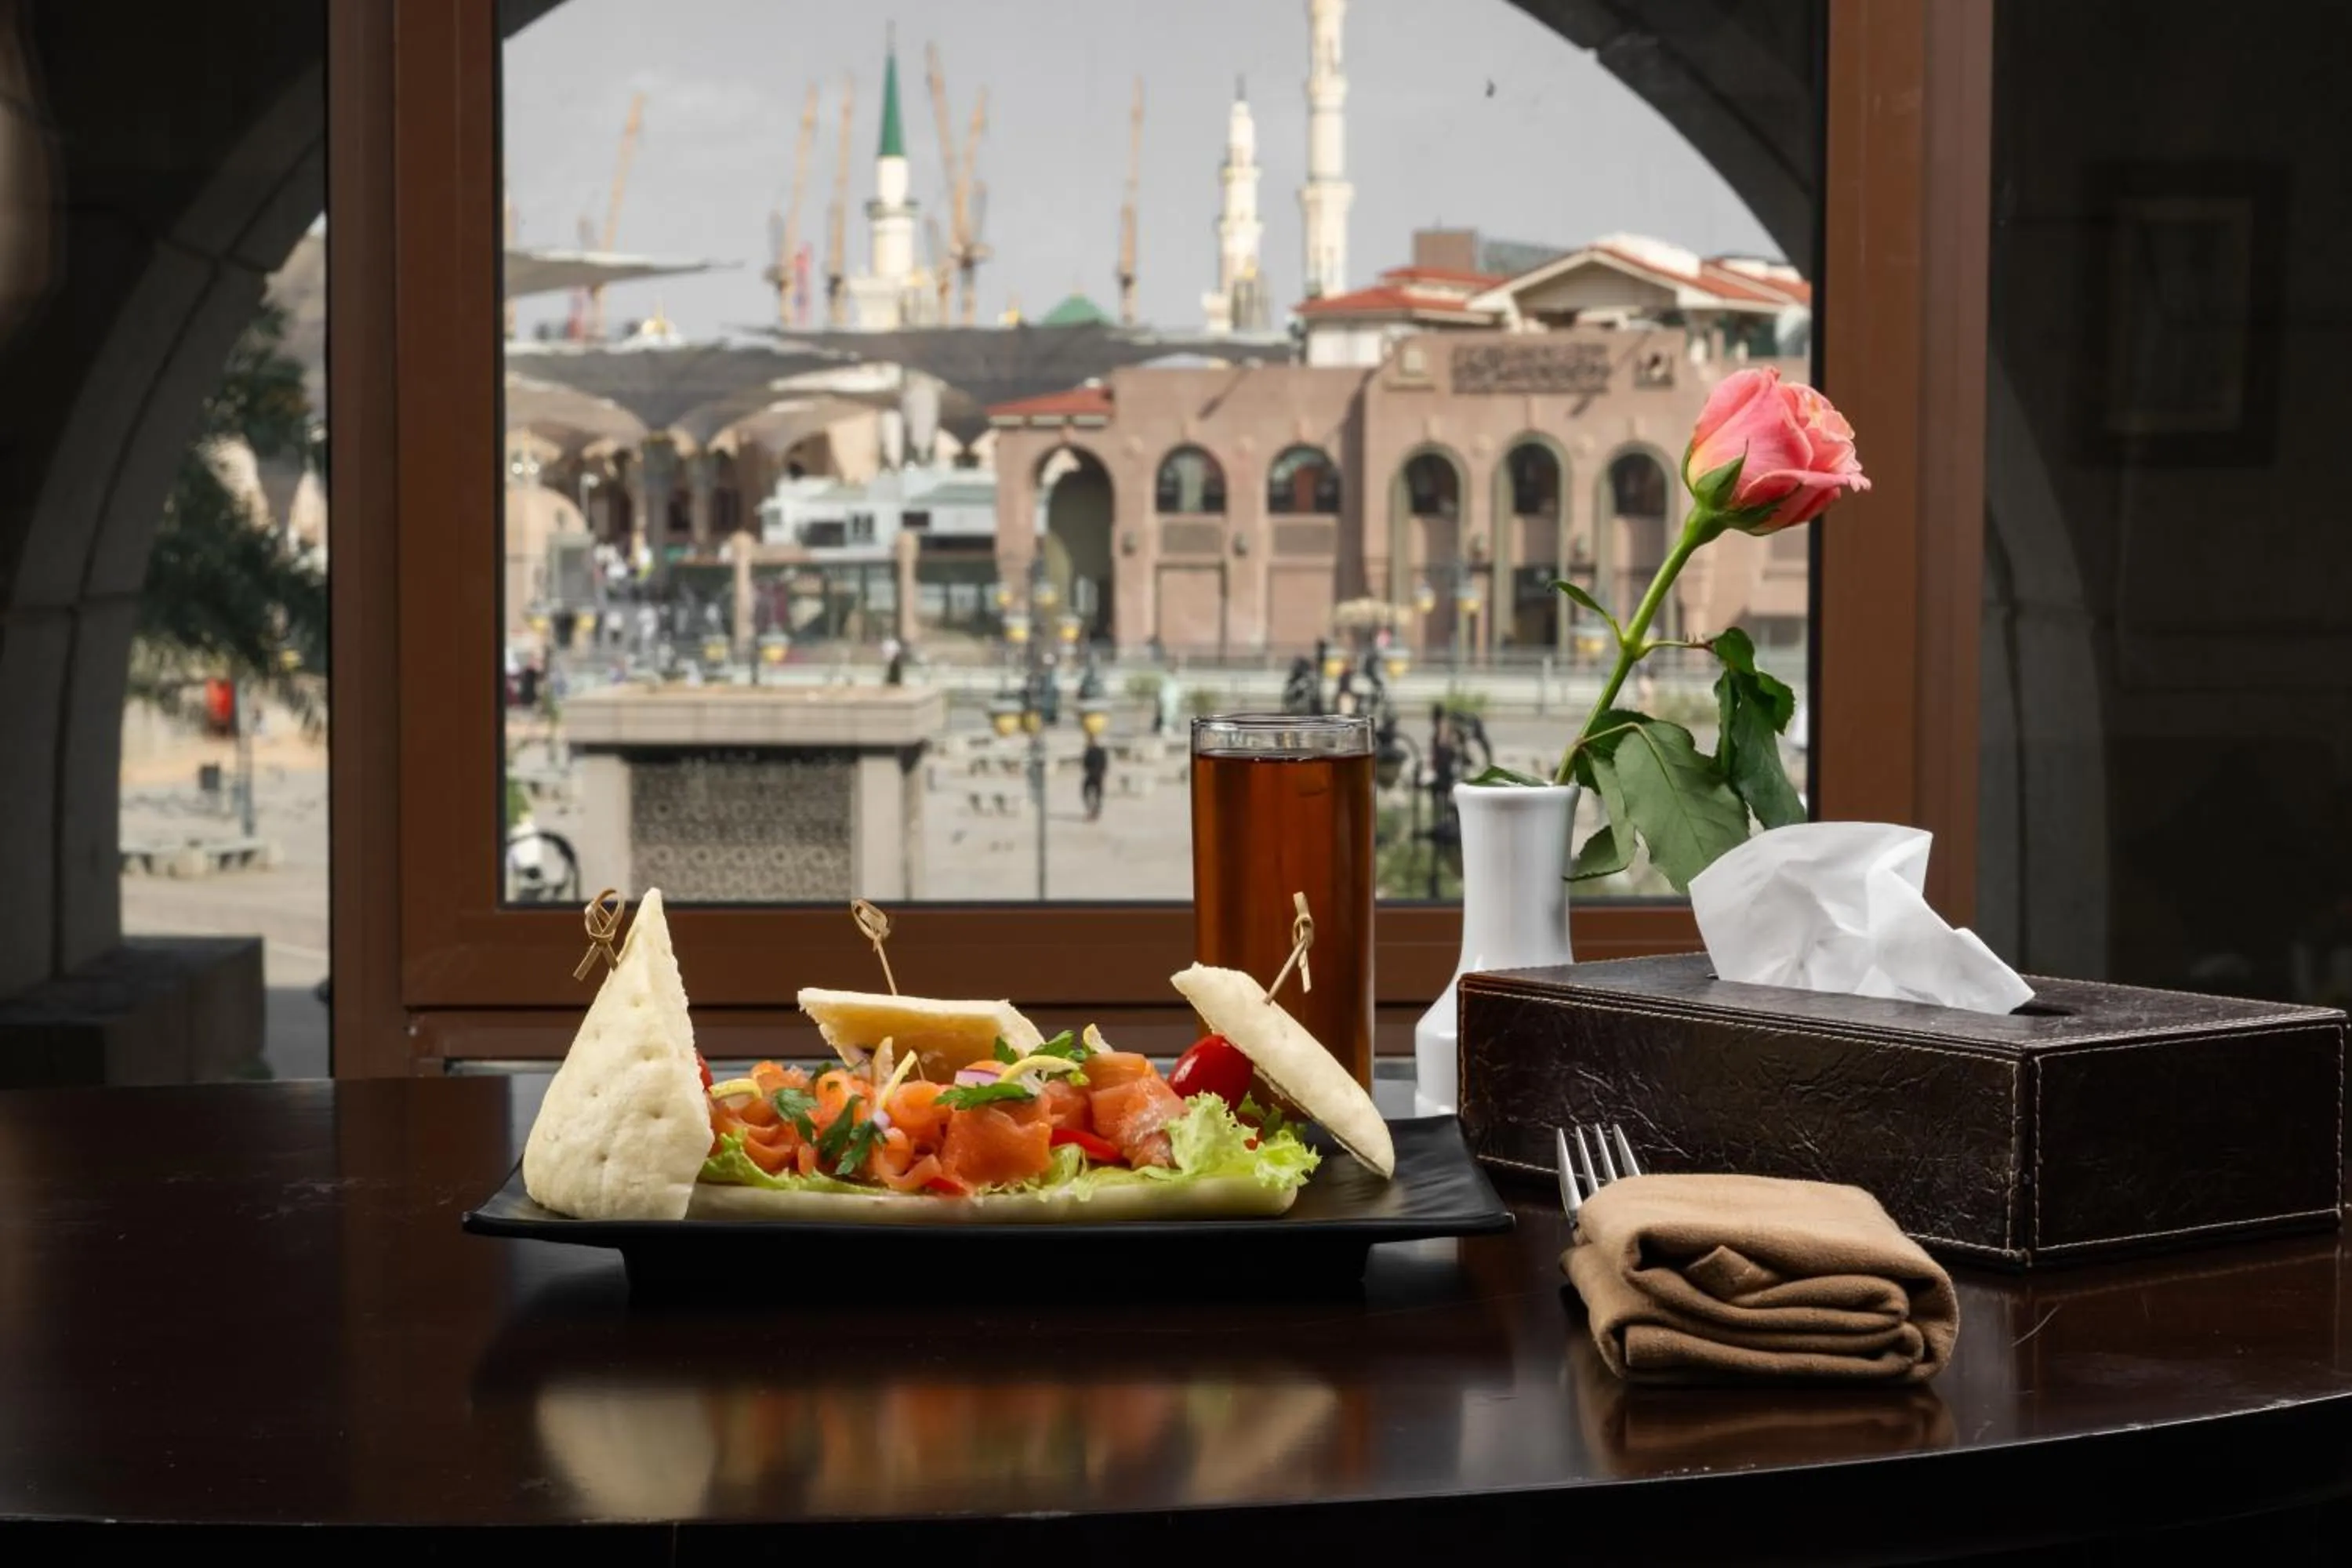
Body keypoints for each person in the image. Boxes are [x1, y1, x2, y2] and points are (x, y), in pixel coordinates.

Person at [1081, 736, 1109, 822]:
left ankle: (1094, 811)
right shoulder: (1089, 751)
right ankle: (1092, 811)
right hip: (1092, 775)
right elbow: (1085, 763)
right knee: (1088, 793)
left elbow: (1104, 763)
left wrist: (1101, 772)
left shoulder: (1098, 751)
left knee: (1097, 795)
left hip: (1097, 775)